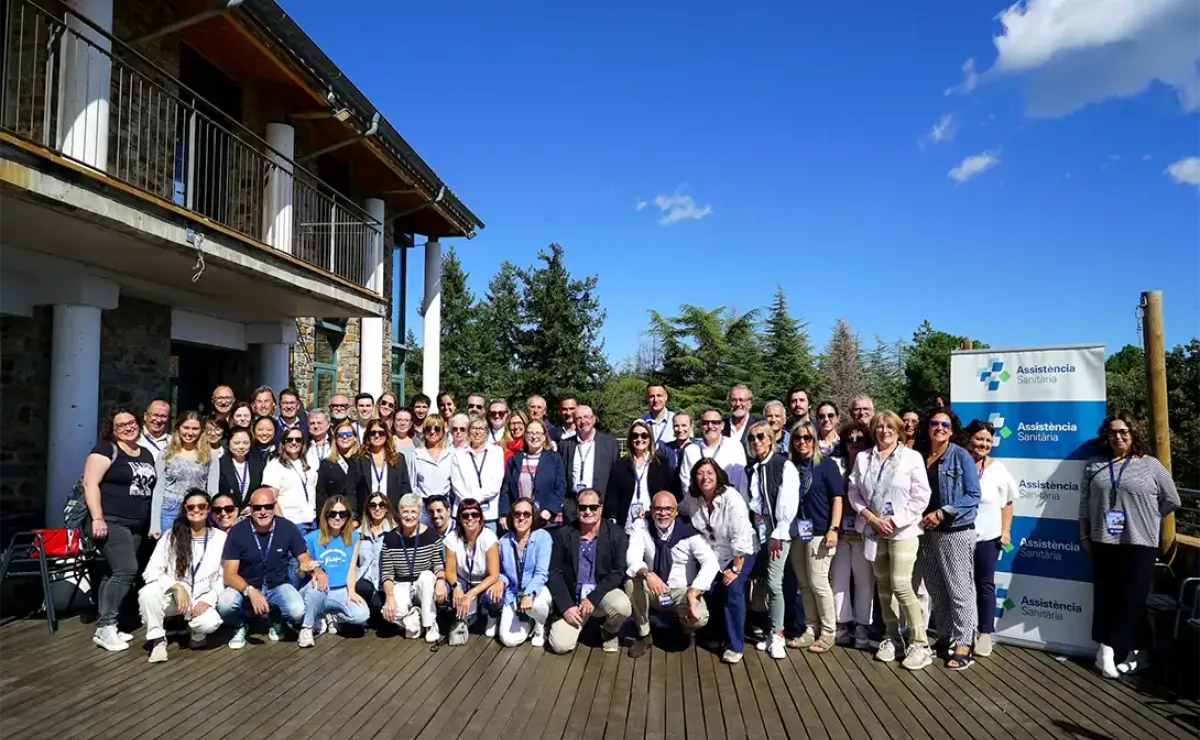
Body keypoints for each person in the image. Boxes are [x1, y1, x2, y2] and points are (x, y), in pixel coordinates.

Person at [1080, 413, 1179, 678]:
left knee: (1133, 597)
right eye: (1112, 432)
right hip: (1104, 539)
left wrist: (1149, 517)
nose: (1118, 437)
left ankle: (1107, 648)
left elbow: (1172, 499)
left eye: (1124, 431)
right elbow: (1084, 505)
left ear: (1133, 434)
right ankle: (1139, 653)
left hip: (1140, 541)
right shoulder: (1095, 464)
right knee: (1107, 598)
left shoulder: (1150, 465)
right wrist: (1084, 537)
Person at [848, 411, 932, 670]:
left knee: (901, 584)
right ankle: (891, 636)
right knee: (883, 586)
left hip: (902, 531)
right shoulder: (864, 458)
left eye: (889, 427)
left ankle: (920, 643)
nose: (884, 431)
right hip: (873, 530)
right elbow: (853, 492)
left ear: (898, 430)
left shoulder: (912, 457)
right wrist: (872, 518)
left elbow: (921, 496)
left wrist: (894, 521)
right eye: (879, 427)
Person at [84, 408, 157, 651]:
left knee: (112, 572)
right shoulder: (106, 449)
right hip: (111, 520)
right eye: (121, 425)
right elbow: (90, 483)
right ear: (113, 430)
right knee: (127, 570)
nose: (128, 427)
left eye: (131, 422)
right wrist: (97, 518)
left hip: (136, 524)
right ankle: (105, 627)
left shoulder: (145, 453)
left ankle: (108, 624)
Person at [916, 407, 980, 670]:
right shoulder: (920, 455)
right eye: (935, 423)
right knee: (936, 589)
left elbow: (973, 495)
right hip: (926, 532)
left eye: (945, 425)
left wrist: (943, 513)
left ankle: (965, 642)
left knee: (959, 589)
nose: (939, 428)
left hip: (954, 531)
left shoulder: (960, 455)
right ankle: (945, 635)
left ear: (952, 431)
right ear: (928, 427)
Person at [216, 487, 318, 649]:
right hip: (246, 585)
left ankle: (276, 619)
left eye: (268, 507)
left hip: (277, 584)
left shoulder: (287, 527)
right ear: (250, 509)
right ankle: (240, 624)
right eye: (257, 508)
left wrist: (316, 570)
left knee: (297, 610)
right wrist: (250, 591)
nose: (263, 512)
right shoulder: (237, 532)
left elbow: (304, 557)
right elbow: (229, 575)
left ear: (275, 506)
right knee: (225, 603)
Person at [624, 491, 718, 657]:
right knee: (631, 582)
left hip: (681, 591)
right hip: (653, 588)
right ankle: (644, 635)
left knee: (701, 617)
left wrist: (694, 591)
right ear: (651, 509)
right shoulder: (641, 525)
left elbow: (711, 562)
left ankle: (684, 629)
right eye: (658, 509)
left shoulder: (689, 532)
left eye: (668, 509)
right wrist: (647, 574)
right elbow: (632, 557)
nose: (663, 513)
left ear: (676, 512)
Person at [138, 489, 226, 662]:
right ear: (185, 510)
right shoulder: (171, 536)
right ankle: (158, 639)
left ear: (208, 509)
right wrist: (176, 587)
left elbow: (222, 577)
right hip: (174, 598)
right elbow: (151, 571)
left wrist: (209, 599)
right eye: (191, 507)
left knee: (210, 622)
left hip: (200, 598)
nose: (196, 510)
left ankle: (196, 632)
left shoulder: (221, 538)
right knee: (147, 593)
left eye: (201, 506)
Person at [546, 489, 632, 654]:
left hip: (601, 594)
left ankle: (609, 631)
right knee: (559, 645)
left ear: (601, 508)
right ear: (576, 509)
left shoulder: (616, 533)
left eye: (593, 507)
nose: (587, 512)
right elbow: (554, 571)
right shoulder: (564, 534)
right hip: (573, 600)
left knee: (622, 606)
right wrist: (566, 606)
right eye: (583, 507)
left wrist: (593, 598)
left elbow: (618, 571)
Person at [688, 458, 755, 663]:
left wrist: (735, 569)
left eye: (709, 473)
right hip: (714, 555)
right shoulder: (693, 499)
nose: (705, 477)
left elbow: (741, 537)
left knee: (732, 588)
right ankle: (716, 634)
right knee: (710, 586)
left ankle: (735, 645)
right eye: (700, 473)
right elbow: (677, 510)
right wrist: (651, 512)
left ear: (717, 475)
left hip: (741, 553)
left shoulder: (731, 498)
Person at [786, 419, 844, 653]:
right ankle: (811, 629)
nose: (802, 442)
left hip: (821, 531)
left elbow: (837, 499)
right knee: (804, 584)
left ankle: (828, 632)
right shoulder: (791, 465)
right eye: (797, 438)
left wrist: (834, 529)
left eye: (807, 437)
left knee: (819, 582)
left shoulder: (826, 465)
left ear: (814, 440)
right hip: (798, 531)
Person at [745, 420, 799, 659]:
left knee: (775, 582)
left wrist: (778, 532)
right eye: (752, 438)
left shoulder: (783, 465)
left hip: (778, 531)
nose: (756, 441)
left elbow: (788, 501)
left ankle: (778, 634)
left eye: (761, 437)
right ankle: (769, 631)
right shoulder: (752, 468)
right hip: (759, 531)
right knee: (763, 582)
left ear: (770, 439)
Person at [964, 418, 1015, 659]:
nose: (983, 444)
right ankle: (963, 631)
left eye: (987, 440)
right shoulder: (959, 462)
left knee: (985, 584)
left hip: (988, 538)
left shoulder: (998, 468)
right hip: (959, 536)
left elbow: (1008, 502)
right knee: (960, 586)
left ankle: (984, 633)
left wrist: (1006, 531)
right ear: (969, 439)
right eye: (979, 439)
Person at [299, 495, 369, 646]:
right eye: (333, 514)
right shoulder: (311, 538)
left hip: (340, 590)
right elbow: (301, 570)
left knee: (362, 614)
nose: (337, 518)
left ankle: (333, 616)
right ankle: (307, 628)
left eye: (342, 514)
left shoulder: (354, 537)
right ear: (325, 515)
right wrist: (305, 569)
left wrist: (352, 591)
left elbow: (351, 568)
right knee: (317, 587)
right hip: (319, 589)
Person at [830, 420, 874, 648]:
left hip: (864, 532)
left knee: (864, 581)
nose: (854, 443)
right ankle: (842, 622)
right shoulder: (836, 465)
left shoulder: (873, 465)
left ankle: (862, 625)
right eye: (850, 440)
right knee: (839, 580)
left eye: (859, 439)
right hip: (840, 533)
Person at [381, 494, 445, 642]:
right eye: (405, 511)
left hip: (424, 584)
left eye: (413, 512)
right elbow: (387, 573)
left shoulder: (431, 535)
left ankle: (430, 624)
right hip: (402, 583)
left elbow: (438, 564)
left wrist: (441, 581)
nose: (409, 516)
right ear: (399, 513)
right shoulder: (390, 539)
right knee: (389, 613)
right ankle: (415, 617)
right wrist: (389, 597)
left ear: (420, 514)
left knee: (427, 576)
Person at [494, 498, 553, 647]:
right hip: (513, 593)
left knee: (538, 606)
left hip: (537, 590)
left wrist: (529, 594)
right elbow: (501, 572)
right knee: (508, 640)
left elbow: (541, 573)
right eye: (517, 514)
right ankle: (529, 621)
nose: (521, 518)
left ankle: (540, 626)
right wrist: (501, 580)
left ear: (533, 517)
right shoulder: (503, 541)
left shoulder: (543, 537)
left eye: (526, 514)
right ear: (512, 516)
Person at [444, 498, 502, 642]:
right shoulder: (452, 537)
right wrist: (456, 587)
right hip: (463, 579)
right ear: (459, 518)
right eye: (465, 515)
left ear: (480, 517)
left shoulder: (488, 537)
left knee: (493, 595)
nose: (470, 518)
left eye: (475, 514)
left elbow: (494, 574)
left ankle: (492, 616)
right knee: (444, 589)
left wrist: (470, 595)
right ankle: (459, 616)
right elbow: (450, 571)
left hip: (484, 581)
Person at [149, 411, 213, 537]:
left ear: (201, 430)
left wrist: (210, 517)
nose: (190, 432)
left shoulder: (209, 454)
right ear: (178, 428)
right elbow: (158, 489)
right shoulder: (166, 453)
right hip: (169, 510)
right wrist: (154, 525)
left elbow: (212, 490)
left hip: (197, 510)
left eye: (195, 429)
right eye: (186, 427)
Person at [606, 420, 672, 533]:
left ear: (650, 439)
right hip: (628, 522)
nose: (639, 439)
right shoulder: (621, 464)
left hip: (654, 520)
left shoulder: (661, 463)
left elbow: (669, 490)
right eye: (635, 435)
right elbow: (613, 494)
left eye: (644, 435)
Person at [559, 405, 619, 523]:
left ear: (593, 419)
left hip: (599, 506)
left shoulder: (609, 444)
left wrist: (612, 510)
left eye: (586, 417)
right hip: (573, 507)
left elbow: (616, 479)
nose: (583, 421)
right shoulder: (566, 445)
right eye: (579, 418)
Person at [502, 420, 566, 527]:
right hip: (521, 519)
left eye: (538, 433)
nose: (534, 436)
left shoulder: (554, 458)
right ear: (525, 436)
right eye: (530, 433)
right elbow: (506, 489)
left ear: (544, 436)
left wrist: (549, 510)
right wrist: (504, 514)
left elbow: (560, 488)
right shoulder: (514, 459)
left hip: (547, 519)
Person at [346, 418, 412, 516]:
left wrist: (404, 513)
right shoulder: (357, 460)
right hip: (366, 515)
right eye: (373, 433)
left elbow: (405, 489)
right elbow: (351, 491)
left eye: (381, 433)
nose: (377, 436)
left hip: (392, 515)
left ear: (387, 435)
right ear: (368, 435)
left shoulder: (398, 459)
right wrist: (354, 517)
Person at [680, 408, 748, 501]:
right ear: (701, 426)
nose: (710, 426)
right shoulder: (690, 450)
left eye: (715, 422)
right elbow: (686, 482)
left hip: (728, 503)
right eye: (705, 423)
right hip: (699, 503)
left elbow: (742, 481)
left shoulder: (735, 447)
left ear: (722, 425)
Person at [451, 416, 506, 529]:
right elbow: (456, 483)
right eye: (474, 428)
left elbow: (496, 482)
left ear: (486, 432)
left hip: (488, 513)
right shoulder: (458, 454)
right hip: (464, 511)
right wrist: (470, 504)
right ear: (468, 431)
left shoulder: (496, 452)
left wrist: (477, 500)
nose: (477, 432)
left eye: (481, 429)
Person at [262, 427, 319, 531]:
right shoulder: (274, 465)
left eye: (298, 440)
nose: (294, 442)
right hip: (291, 523)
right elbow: (271, 499)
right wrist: (284, 525)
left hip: (312, 521)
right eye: (289, 439)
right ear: (283, 443)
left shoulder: (309, 461)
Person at [354, 493, 395, 624]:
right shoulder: (358, 534)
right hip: (364, 583)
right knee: (363, 587)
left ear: (387, 508)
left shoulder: (395, 532)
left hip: (385, 583)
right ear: (367, 508)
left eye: (381, 505)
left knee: (382, 614)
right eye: (373, 505)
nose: (377, 508)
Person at [211, 423, 261, 510]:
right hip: (226, 512)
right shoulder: (220, 464)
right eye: (236, 443)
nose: (241, 447)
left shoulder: (258, 465)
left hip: (250, 513)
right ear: (228, 443)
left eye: (245, 443)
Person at [315, 420, 358, 514]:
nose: (345, 437)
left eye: (349, 434)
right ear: (335, 439)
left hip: (360, 516)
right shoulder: (326, 465)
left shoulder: (361, 462)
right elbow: (321, 496)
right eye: (341, 435)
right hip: (336, 516)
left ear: (355, 438)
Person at [412, 416, 454, 507]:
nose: (432, 432)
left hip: (444, 503)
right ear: (424, 431)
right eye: (428, 428)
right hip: (423, 504)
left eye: (437, 429)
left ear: (442, 432)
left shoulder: (449, 455)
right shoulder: (417, 454)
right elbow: (412, 483)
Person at [640, 383, 676, 455]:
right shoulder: (640, 423)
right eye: (652, 396)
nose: (655, 400)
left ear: (666, 397)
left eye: (659, 395)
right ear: (647, 399)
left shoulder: (677, 421)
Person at [664, 411, 695, 490]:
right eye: (676, 426)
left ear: (691, 426)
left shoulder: (698, 447)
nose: (680, 429)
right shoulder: (665, 449)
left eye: (684, 425)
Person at [723, 384, 757, 448]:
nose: (738, 404)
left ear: (750, 403)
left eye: (741, 400)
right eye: (734, 400)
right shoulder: (720, 426)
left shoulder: (758, 425)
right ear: (729, 402)